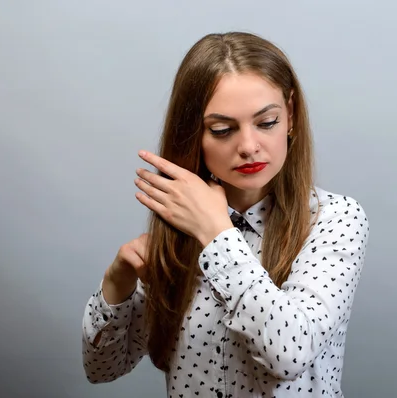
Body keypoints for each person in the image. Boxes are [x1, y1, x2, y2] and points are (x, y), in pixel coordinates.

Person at [82, 31, 370, 398]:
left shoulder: (335, 219)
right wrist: (116, 285)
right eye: (222, 129)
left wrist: (217, 234)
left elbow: (289, 353)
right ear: (193, 136)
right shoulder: (178, 231)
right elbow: (101, 370)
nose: (249, 147)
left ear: (291, 115)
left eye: (266, 122)